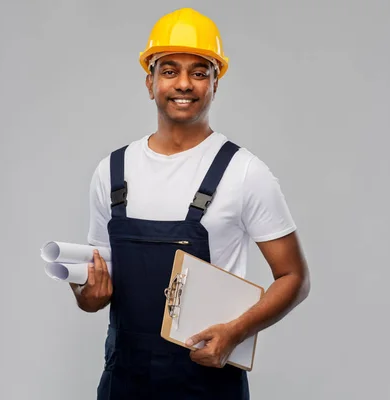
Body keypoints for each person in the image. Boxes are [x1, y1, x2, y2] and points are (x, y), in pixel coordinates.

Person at [70, 7, 310, 400]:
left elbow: (294, 278)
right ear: (150, 83)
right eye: (169, 71)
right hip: (123, 381)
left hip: (207, 379)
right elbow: (97, 286)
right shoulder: (112, 171)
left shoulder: (245, 172)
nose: (184, 84)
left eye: (199, 72)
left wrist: (235, 332)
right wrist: (87, 297)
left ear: (216, 83)